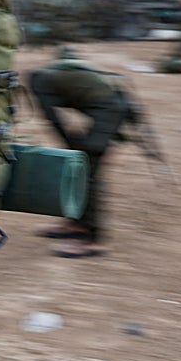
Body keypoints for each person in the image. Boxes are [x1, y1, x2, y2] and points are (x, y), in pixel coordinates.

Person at [28, 46, 134, 258]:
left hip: (110, 110)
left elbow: (53, 119)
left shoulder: (39, 81)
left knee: (88, 171)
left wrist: (72, 145)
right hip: (112, 107)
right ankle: (76, 223)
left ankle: (91, 239)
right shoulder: (62, 72)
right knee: (80, 166)